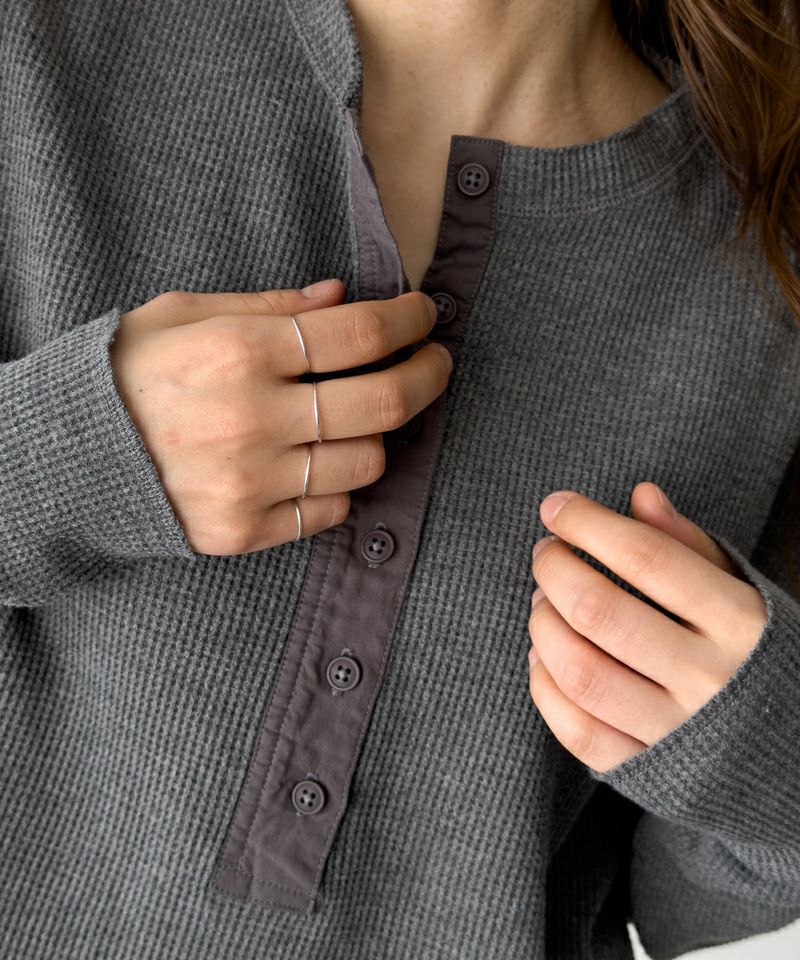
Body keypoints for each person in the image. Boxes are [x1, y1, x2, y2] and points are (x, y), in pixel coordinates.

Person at [1, 1, 799, 958]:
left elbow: (672, 908)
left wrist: (772, 754)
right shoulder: (38, 41)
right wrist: (67, 449)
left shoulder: (772, 261)